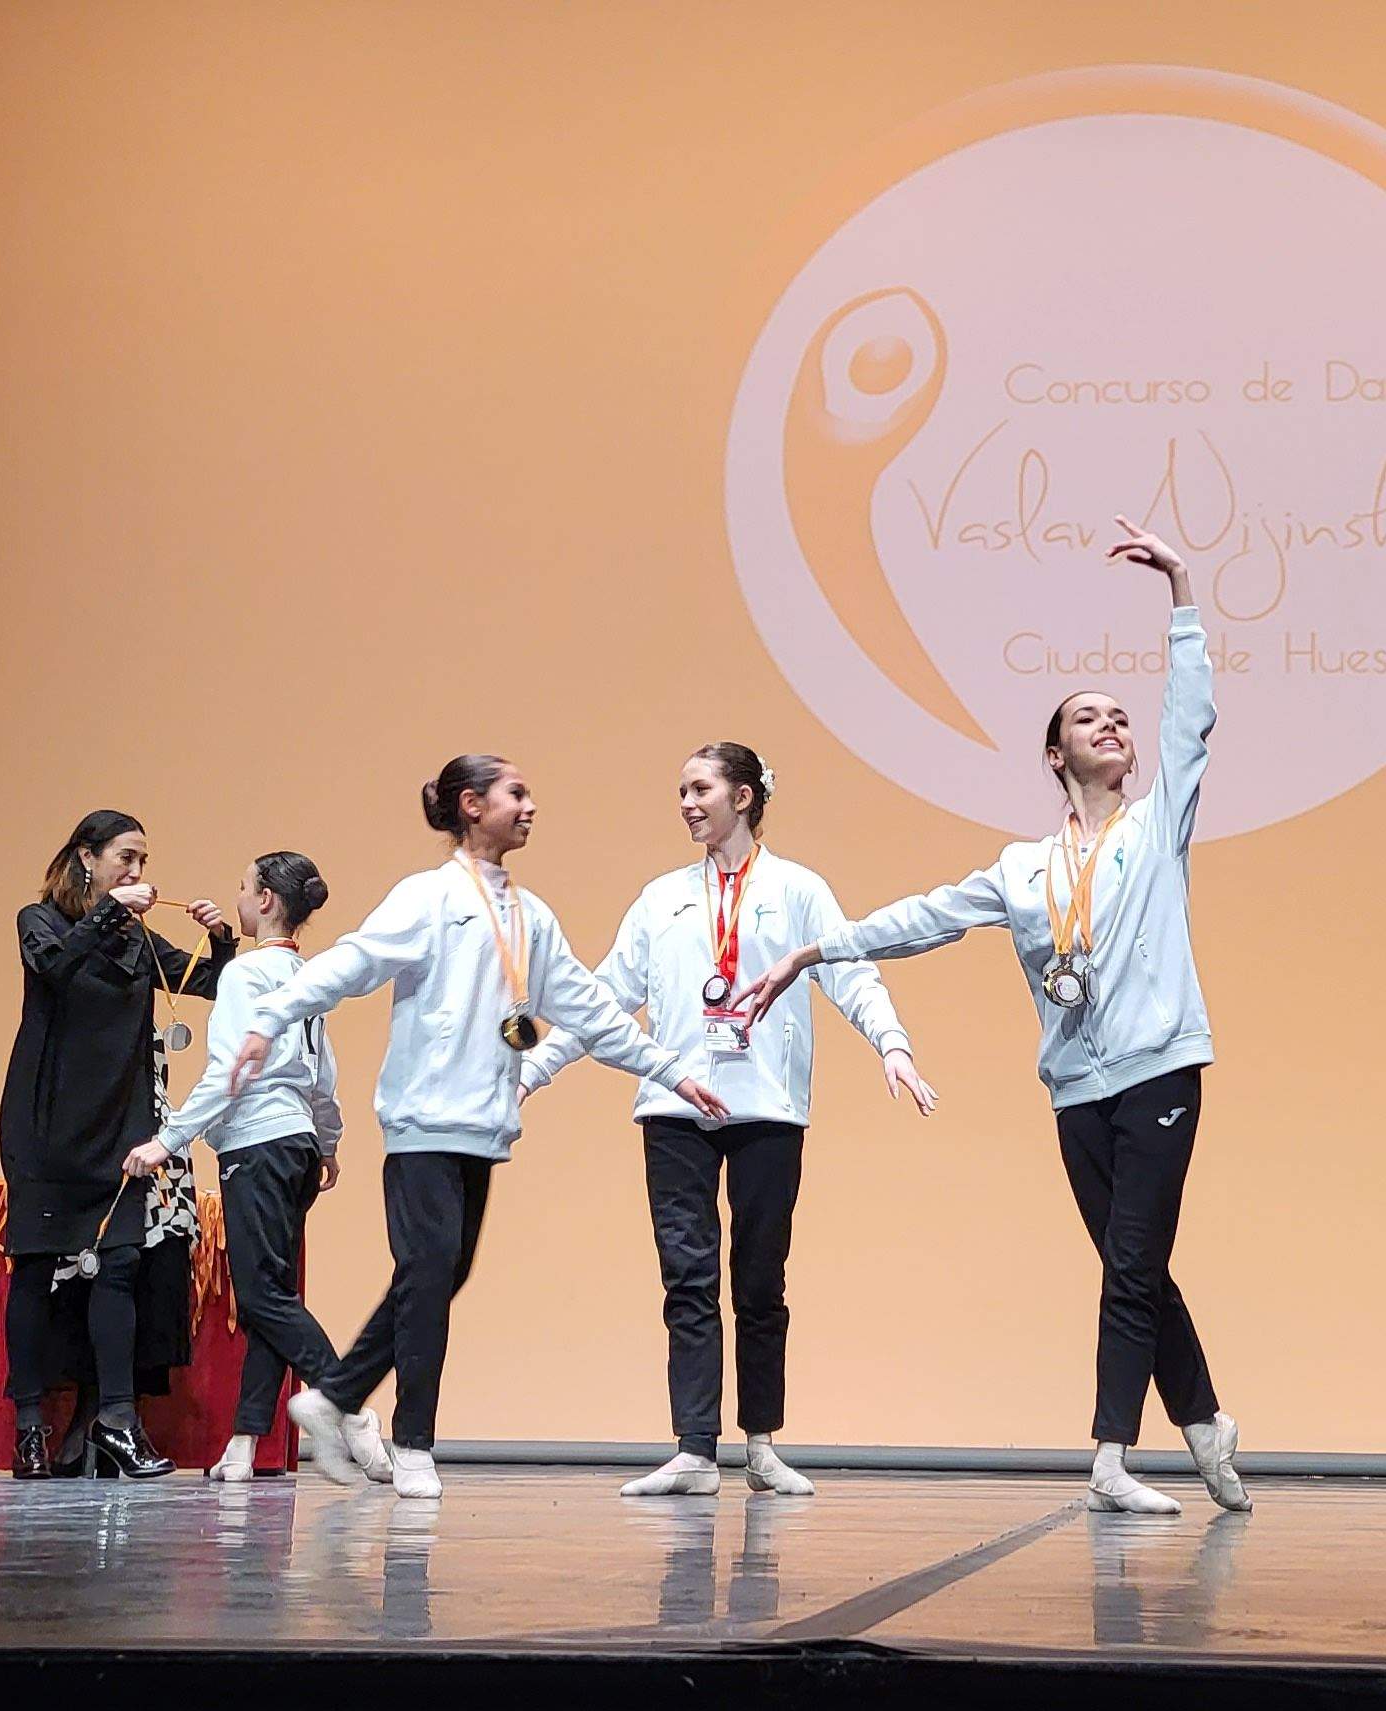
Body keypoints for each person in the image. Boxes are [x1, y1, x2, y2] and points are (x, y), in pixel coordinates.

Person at [739, 519, 1252, 1516]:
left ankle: (1110, 1457)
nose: (1112, 724)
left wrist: (1183, 590)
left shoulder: (1155, 830)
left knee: (1131, 1271)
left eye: (1118, 716)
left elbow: (1189, 720)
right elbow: (925, 917)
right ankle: (1206, 1422)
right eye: (1087, 716)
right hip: (1076, 1091)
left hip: (1157, 1071)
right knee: (1130, 1265)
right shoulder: (1022, 870)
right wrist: (817, 946)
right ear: (1053, 753)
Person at [227, 754, 732, 1500]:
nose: (530, 806)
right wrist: (271, 1018)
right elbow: (352, 965)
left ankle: (332, 1396)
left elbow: (592, 1012)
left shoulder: (531, 916)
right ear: (471, 805)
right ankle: (414, 1443)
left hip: (481, 1127)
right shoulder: (428, 897)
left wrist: (671, 1070)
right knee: (429, 1276)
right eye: (515, 793)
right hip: (423, 1121)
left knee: (439, 1273)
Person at [523, 742, 937, 1498]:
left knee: (759, 1281)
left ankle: (762, 1444)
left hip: (767, 1110)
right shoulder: (660, 898)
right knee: (686, 1280)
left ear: (742, 797)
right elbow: (605, 998)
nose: (686, 802)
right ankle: (693, 1449)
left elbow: (852, 974)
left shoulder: (798, 889)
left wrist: (893, 1045)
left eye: (699, 788)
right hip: (674, 1109)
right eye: (680, 790)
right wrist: (534, 1071)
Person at [1, 809, 232, 1480]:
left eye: (143, 862)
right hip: (47, 1126)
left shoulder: (134, 937)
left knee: (121, 1266)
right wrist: (110, 914)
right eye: (125, 858)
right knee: (36, 1272)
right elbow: (55, 970)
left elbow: (205, 983)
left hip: (118, 1127)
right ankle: (28, 1429)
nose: (136, 873)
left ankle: (118, 1422)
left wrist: (219, 942)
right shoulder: (39, 920)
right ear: (87, 857)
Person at [124, 852, 344, 1484]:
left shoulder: (246, 972)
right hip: (296, 1143)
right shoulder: (305, 973)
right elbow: (322, 1071)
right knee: (267, 1298)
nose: (240, 898)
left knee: (263, 1296)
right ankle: (246, 1442)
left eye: (244, 889)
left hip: (257, 1143)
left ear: (268, 900)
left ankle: (346, 1399)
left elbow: (229, 1069)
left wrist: (168, 1139)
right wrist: (326, 1141)